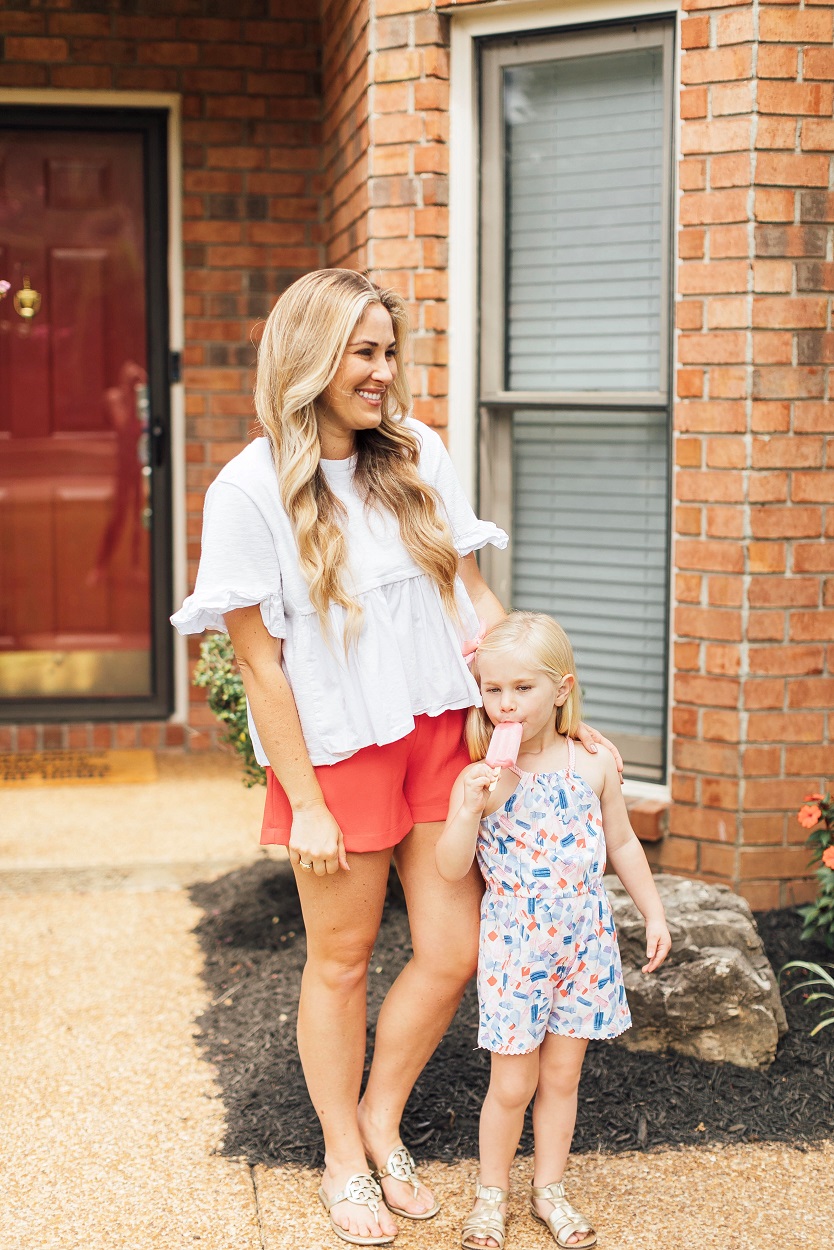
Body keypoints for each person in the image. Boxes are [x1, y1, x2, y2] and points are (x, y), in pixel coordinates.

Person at [172, 269, 621, 1247]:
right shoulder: (249, 489)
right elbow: (260, 665)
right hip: (335, 756)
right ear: (309, 357)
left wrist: (553, 712)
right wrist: (309, 801)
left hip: (441, 735)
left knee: (454, 947)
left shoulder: (418, 453)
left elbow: (472, 597)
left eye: (388, 351)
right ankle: (343, 1153)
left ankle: (383, 1117)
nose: (382, 372)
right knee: (339, 962)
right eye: (362, 352)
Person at [436, 612, 671, 1250]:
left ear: (560, 690)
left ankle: (549, 1190)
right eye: (493, 689)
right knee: (511, 1083)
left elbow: (621, 842)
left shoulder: (591, 763)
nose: (506, 704)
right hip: (515, 942)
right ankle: (492, 1196)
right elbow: (452, 867)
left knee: (562, 1080)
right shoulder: (483, 774)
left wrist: (652, 911)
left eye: (523, 689)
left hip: (584, 938)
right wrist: (466, 808)